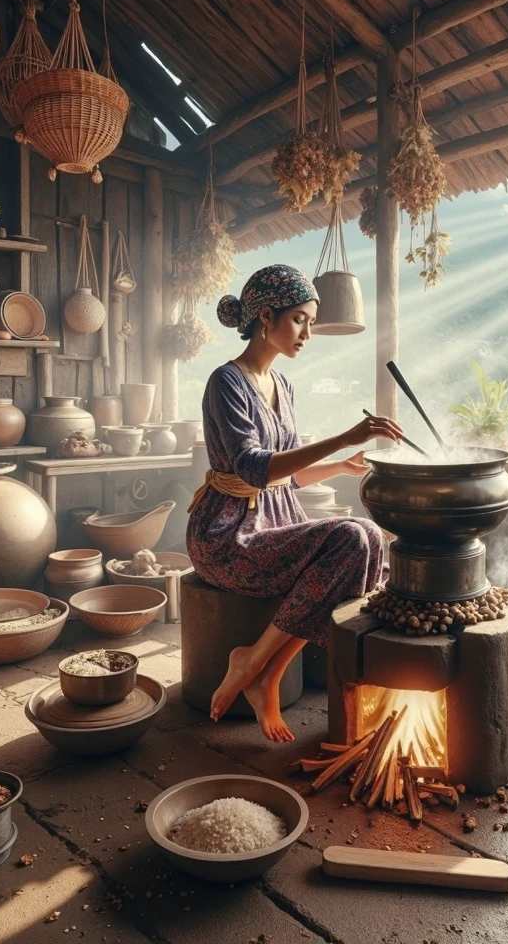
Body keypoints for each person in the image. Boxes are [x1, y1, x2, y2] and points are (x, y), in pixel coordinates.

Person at [186, 264, 402, 742]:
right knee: (351, 535)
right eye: (301, 319)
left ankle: (264, 669)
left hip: (273, 519)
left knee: (364, 535)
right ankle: (253, 662)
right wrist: (344, 434)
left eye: (310, 321)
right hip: (228, 536)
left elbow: (291, 475)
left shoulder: (282, 385)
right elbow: (256, 469)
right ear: (267, 315)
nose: (308, 332)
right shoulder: (226, 382)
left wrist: (341, 464)